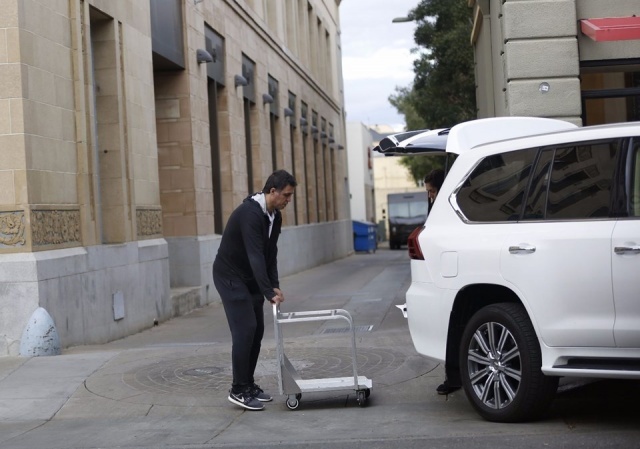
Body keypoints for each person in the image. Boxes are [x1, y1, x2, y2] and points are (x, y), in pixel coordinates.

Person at [212, 169, 297, 410]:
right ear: (273, 191)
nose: (288, 200)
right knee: (245, 328)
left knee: (257, 330)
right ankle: (238, 389)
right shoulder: (250, 214)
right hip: (229, 276)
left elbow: (270, 255)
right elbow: (255, 255)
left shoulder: (274, 216)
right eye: (286, 195)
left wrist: (274, 284)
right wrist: (268, 291)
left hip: (248, 278)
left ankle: (247, 385)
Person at [423, 169, 460, 395]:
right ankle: (453, 376)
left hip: (451, 272)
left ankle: (455, 377)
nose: (430, 196)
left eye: (433, 191)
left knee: (452, 327)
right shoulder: (438, 206)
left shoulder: (449, 207)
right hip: (443, 272)